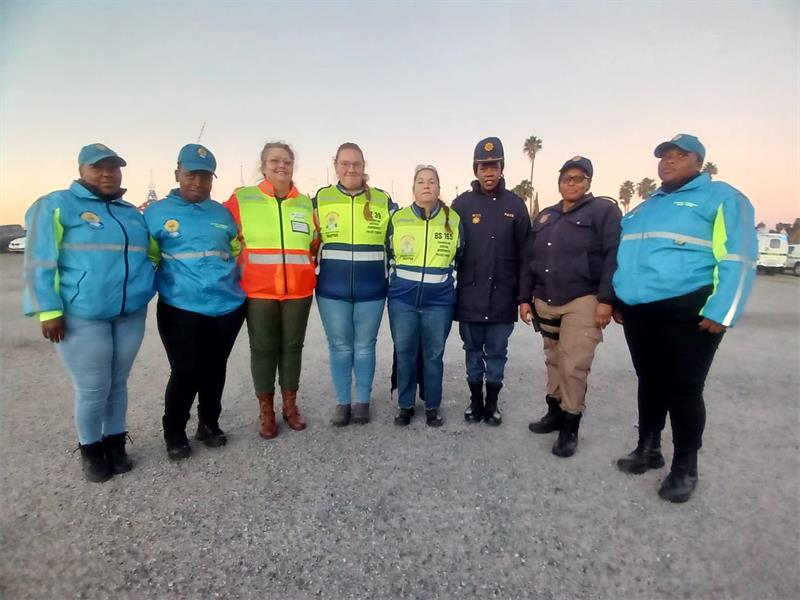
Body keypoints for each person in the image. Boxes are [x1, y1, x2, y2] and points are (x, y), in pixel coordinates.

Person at [613, 133, 756, 503]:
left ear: (699, 162)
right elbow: (625, 256)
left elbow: (738, 257)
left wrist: (722, 310)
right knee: (650, 380)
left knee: (684, 389)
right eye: (664, 156)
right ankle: (648, 448)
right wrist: (618, 299)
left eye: (680, 155)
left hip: (689, 311)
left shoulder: (722, 198)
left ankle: (685, 466)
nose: (668, 161)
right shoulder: (646, 207)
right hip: (640, 312)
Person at [23, 143, 155, 482]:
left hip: (129, 313)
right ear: (82, 170)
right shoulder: (55, 205)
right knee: (93, 386)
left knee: (118, 382)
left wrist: (146, 286)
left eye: (114, 167)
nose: (108, 173)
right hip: (82, 315)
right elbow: (39, 261)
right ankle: (91, 449)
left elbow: (148, 255)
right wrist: (48, 309)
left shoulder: (130, 212)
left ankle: (115, 442)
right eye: (98, 167)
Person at [145, 144, 246, 460]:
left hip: (227, 307)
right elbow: (147, 260)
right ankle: (174, 430)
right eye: (191, 175)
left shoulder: (222, 213)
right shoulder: (156, 214)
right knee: (186, 370)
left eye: (205, 177)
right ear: (177, 173)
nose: (198, 184)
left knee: (216, 368)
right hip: (181, 307)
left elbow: (238, 251)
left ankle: (209, 423)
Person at [519, 156, 622, 457]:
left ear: (589, 181)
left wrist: (606, 300)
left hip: (583, 299)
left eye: (579, 178)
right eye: (567, 178)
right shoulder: (546, 216)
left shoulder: (604, 211)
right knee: (553, 359)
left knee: (573, 364)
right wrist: (525, 298)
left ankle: (570, 427)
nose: (572, 183)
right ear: (559, 181)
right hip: (546, 299)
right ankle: (553, 413)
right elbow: (529, 259)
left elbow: (614, 256)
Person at [225, 142, 319, 439]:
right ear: (263, 165)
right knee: (263, 350)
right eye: (274, 160)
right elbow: (225, 237)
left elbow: (315, 242)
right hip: (259, 291)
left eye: (287, 161)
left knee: (292, 348)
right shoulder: (243, 198)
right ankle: (266, 409)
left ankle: (290, 405)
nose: (281, 165)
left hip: (298, 291)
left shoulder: (304, 203)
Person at [313, 143, 396, 426]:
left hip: (372, 290)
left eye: (357, 164)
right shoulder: (320, 199)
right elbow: (310, 243)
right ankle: (342, 402)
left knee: (364, 346)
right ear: (335, 165)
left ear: (364, 167)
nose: (351, 169)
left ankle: (362, 401)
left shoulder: (383, 201)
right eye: (345, 163)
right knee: (339, 346)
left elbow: (397, 241)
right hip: (331, 291)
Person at [452, 137, 529, 425]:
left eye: (494, 165)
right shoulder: (461, 205)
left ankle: (492, 404)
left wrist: (524, 298)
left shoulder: (516, 206)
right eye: (483, 166)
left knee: (497, 353)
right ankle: (475, 402)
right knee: (472, 352)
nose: (488, 172)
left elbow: (526, 255)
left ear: (502, 168)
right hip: (470, 297)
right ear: (475, 169)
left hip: (502, 297)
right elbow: (451, 252)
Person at [388, 165, 463, 427]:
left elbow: (460, 257)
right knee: (405, 352)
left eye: (432, 181)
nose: (426, 185)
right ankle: (405, 405)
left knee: (433, 355)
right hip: (402, 301)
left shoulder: (453, 219)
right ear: (413, 189)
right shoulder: (397, 219)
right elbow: (388, 255)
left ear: (439, 188)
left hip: (439, 303)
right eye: (420, 181)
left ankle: (433, 406)